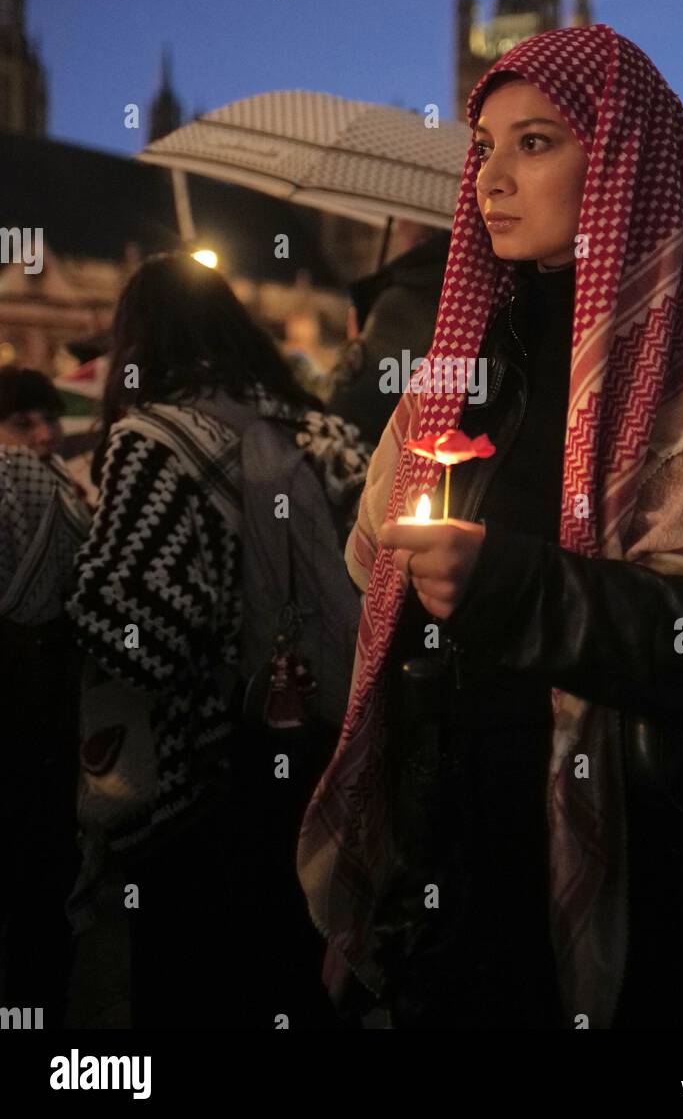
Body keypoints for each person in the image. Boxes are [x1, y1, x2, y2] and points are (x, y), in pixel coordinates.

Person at [297, 24, 683, 1030]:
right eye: (482, 147)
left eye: (534, 143)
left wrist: (523, 590)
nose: (489, 177)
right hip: (455, 885)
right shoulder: (460, 367)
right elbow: (381, 588)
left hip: (646, 890)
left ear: (619, 161)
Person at [66, 253, 370, 1029]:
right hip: (330, 763)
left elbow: (141, 634)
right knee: (302, 983)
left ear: (137, 343)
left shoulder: (155, 440)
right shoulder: (324, 431)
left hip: (205, 790)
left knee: (196, 991)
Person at [0, 366, 91, 1027]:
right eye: (20, 423)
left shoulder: (64, 492)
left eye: (46, 420)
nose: (41, 435)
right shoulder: (60, 495)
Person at [323, 223, 451, 449]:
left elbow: (371, 387)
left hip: (365, 441)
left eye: (405, 221)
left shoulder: (413, 290)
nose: (399, 226)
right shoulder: (424, 280)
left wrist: (357, 348)